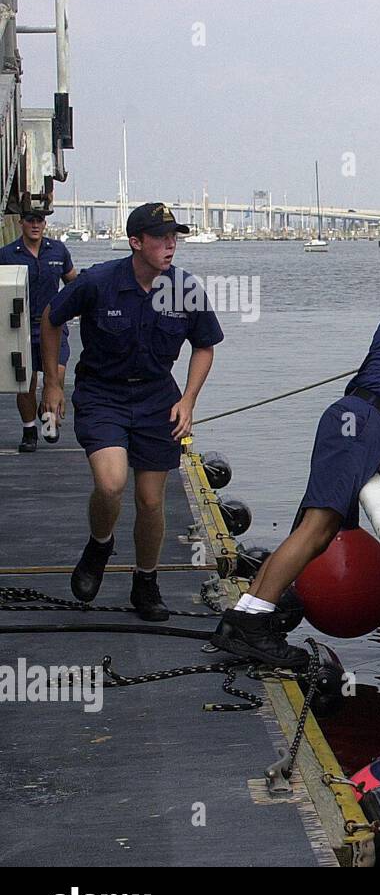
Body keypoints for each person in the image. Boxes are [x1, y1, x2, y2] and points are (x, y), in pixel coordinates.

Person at [211, 250, 380, 670]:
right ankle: (254, 622)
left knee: (309, 527)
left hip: (345, 415)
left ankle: (246, 617)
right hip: (364, 427)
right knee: (318, 530)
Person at [41, 203, 222, 622]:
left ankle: (146, 581)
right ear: (136, 242)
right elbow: (51, 319)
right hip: (103, 395)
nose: (170, 244)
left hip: (158, 399)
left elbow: (205, 346)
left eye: (174, 236)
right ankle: (100, 544)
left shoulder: (185, 289)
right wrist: (52, 383)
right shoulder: (99, 282)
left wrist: (189, 400)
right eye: (161, 237)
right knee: (111, 483)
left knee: (150, 500)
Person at [2, 210, 76, 452]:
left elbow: (73, 283)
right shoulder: (7, 255)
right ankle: (29, 430)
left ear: (45, 224)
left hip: (53, 324)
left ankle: (49, 418)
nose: (35, 225)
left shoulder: (58, 251)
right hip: (20, 326)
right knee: (26, 382)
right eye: (31, 220)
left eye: (40, 221)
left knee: (57, 376)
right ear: (21, 223)